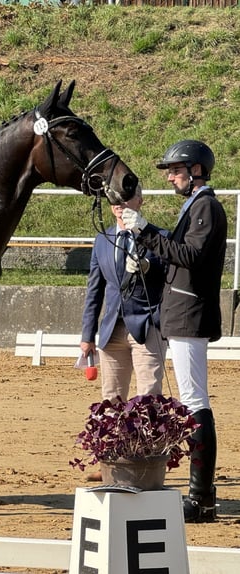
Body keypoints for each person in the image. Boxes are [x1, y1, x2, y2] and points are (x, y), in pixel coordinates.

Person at [122, 139, 227, 523]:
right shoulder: (194, 206)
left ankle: (202, 498)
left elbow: (192, 257)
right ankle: (202, 496)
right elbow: (179, 263)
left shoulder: (207, 207)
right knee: (190, 401)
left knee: (195, 401)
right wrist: (149, 267)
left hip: (190, 315)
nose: (170, 178)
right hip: (180, 314)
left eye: (176, 171)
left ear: (196, 171)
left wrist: (146, 230)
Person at [80, 187, 167, 482]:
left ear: (139, 202)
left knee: (148, 395)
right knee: (111, 398)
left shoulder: (158, 235)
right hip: (111, 330)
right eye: (115, 200)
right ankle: (111, 460)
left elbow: (168, 268)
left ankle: (146, 460)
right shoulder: (102, 240)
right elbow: (95, 289)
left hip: (146, 325)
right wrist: (87, 333)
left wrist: (148, 265)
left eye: (127, 199)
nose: (119, 205)